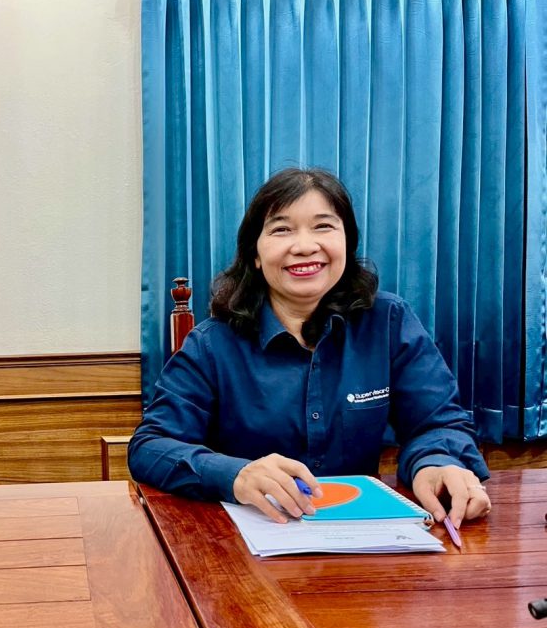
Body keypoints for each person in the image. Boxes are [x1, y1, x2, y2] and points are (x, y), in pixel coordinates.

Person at [128, 167, 491, 527]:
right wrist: (235, 474)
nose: (304, 246)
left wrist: (436, 464)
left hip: (362, 536)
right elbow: (150, 446)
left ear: (347, 242)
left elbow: (438, 423)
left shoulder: (388, 322)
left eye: (323, 226)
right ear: (255, 254)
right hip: (244, 540)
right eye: (281, 229)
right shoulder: (213, 344)